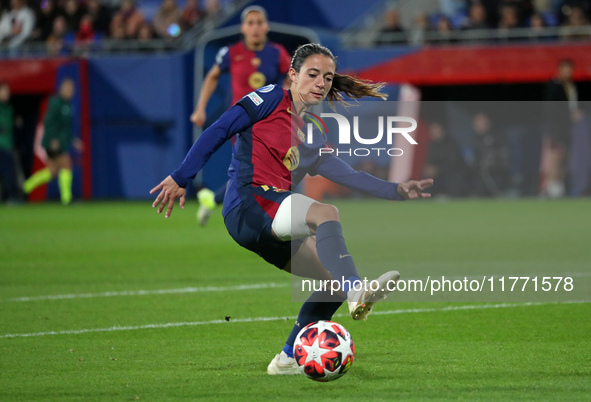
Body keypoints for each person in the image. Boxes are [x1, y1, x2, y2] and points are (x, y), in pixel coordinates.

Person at [151, 43, 433, 375]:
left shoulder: (313, 132)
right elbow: (219, 129)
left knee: (333, 280)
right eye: (313, 74)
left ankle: (285, 359)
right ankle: (358, 290)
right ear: (293, 75)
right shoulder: (270, 98)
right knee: (326, 214)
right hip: (248, 201)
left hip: (268, 218)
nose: (321, 83)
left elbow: (347, 174)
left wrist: (396, 190)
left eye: (327, 78)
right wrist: (182, 177)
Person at [190, 6, 291, 226]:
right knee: (254, 171)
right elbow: (212, 76)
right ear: (243, 28)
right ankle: (264, 217)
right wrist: (200, 108)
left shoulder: (277, 53)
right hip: (242, 122)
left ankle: (214, 201)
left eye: (259, 22)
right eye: (251, 23)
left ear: (267, 26)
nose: (255, 27)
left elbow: (291, 77)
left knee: (250, 172)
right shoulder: (231, 53)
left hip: (270, 122)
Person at [23, 78, 82, 204]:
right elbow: (48, 123)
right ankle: (67, 199)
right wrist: (52, 139)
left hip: (61, 142)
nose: (70, 91)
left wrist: (73, 140)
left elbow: (65, 127)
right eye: (67, 88)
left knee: (53, 171)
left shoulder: (69, 105)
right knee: (66, 164)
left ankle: (26, 186)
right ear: (61, 89)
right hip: (53, 142)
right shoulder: (55, 103)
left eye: (72, 88)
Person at [0, 82, 19, 202]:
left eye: (8, 91)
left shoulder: (10, 108)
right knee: (8, 173)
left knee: (10, 173)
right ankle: (10, 197)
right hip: (1, 146)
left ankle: (10, 197)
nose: (7, 93)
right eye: (4, 91)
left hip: (8, 145)